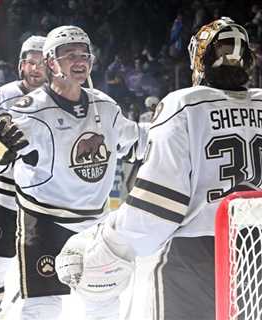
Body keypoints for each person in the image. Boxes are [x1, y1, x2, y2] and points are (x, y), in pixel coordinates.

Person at [55, 17, 259, 320]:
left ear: (200, 58)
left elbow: (155, 213)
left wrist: (106, 240)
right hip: (255, 255)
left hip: (193, 260)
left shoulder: (184, 104)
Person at [0, 26, 146, 320]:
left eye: (84, 55)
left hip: (95, 224)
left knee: (102, 306)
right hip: (44, 224)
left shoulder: (105, 106)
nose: (80, 61)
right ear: (51, 62)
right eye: (70, 55)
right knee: (42, 309)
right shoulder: (29, 112)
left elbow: (141, 145)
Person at [0, 35, 47, 314]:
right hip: (4, 197)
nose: (35, 69)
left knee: (41, 274)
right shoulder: (3, 96)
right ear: (21, 65)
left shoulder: (63, 98)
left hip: (43, 200)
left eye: (41, 63)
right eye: (30, 63)